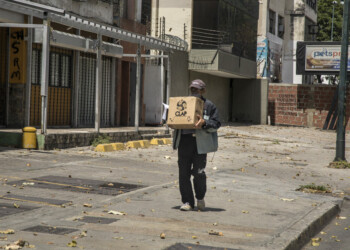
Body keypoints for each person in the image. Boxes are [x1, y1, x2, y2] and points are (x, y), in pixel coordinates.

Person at [172, 79, 221, 211]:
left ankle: (200, 197)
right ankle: (187, 201)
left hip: (200, 144)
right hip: (184, 141)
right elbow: (174, 118)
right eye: (192, 89)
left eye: (197, 89)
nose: (194, 92)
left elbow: (216, 124)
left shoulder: (209, 106)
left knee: (199, 173)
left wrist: (204, 123)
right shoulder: (183, 103)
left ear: (202, 91)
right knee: (183, 173)